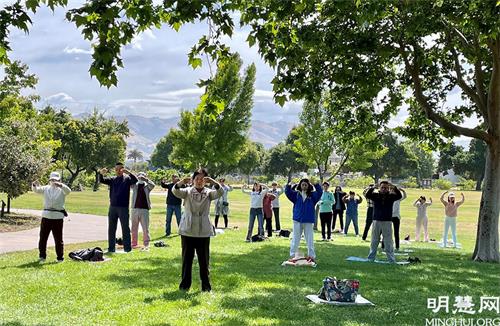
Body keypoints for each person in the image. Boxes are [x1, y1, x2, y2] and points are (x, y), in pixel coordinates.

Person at [172, 168, 223, 292]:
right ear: (193, 180)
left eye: (202, 179)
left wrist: (214, 182)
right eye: (197, 179)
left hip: (203, 230)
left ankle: (206, 287)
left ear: (205, 181)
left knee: (204, 261)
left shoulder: (209, 192)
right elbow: (175, 191)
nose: (199, 181)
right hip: (188, 230)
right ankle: (184, 286)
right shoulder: (187, 191)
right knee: (186, 260)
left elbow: (220, 192)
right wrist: (180, 182)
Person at [32, 172, 71, 262]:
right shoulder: (46, 188)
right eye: (52, 180)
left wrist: (60, 185)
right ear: (50, 180)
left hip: (57, 217)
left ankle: (60, 257)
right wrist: (34, 184)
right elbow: (37, 190)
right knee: (43, 238)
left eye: (56, 180)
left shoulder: (62, 190)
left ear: (59, 180)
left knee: (58, 239)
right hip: (46, 216)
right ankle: (42, 256)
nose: (54, 182)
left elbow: (68, 191)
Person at [99, 163, 137, 253]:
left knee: (125, 228)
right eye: (116, 169)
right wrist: (100, 173)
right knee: (111, 228)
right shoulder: (112, 179)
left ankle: (127, 249)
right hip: (112, 207)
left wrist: (129, 173)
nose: (118, 171)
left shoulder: (127, 179)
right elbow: (102, 180)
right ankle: (111, 248)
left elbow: (135, 180)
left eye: (120, 169)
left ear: (123, 169)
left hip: (123, 208)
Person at [285, 179, 322, 263]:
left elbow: (320, 192)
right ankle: (293, 255)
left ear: (308, 186)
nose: (304, 186)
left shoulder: (313, 196)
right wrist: (289, 185)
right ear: (300, 186)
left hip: (308, 220)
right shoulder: (296, 195)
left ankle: (311, 256)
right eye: (302, 185)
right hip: (297, 220)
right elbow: (288, 192)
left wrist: (316, 184)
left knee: (309, 239)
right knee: (295, 238)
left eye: (306, 185)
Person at [365, 181, 403, 263]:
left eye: (386, 188)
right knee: (374, 240)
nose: (384, 189)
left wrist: (394, 187)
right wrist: (373, 188)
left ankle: (391, 260)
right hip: (376, 220)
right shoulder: (375, 195)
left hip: (387, 221)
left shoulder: (391, 196)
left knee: (388, 241)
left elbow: (399, 196)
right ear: (379, 188)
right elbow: (367, 195)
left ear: (388, 188)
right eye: (382, 187)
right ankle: (371, 258)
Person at [130, 172, 155, 250]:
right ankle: (134, 243)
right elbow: (130, 182)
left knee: (145, 228)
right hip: (135, 209)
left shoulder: (147, 187)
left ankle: (146, 244)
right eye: (139, 176)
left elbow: (153, 185)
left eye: (143, 176)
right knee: (134, 228)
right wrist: (135, 178)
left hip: (144, 210)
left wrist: (146, 180)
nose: (141, 177)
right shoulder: (134, 186)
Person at [391, 187, 407, 251]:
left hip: (396, 217)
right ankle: (384, 246)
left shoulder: (398, 199)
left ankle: (397, 246)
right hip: (389, 217)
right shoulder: (388, 198)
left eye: (393, 191)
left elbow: (405, 196)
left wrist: (402, 190)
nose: (392, 192)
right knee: (386, 232)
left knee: (396, 233)